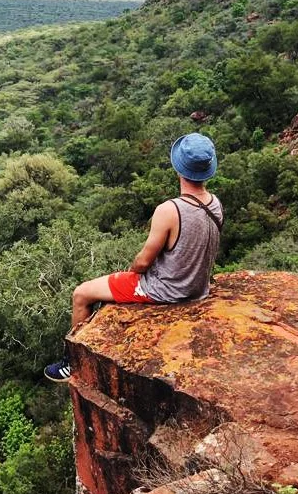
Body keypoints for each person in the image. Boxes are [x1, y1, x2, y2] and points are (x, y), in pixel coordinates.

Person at [44, 133, 223, 382]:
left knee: (81, 294)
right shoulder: (215, 204)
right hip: (198, 288)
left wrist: (131, 273)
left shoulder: (169, 210)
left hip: (166, 290)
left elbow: (142, 263)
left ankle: (73, 363)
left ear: (178, 168)